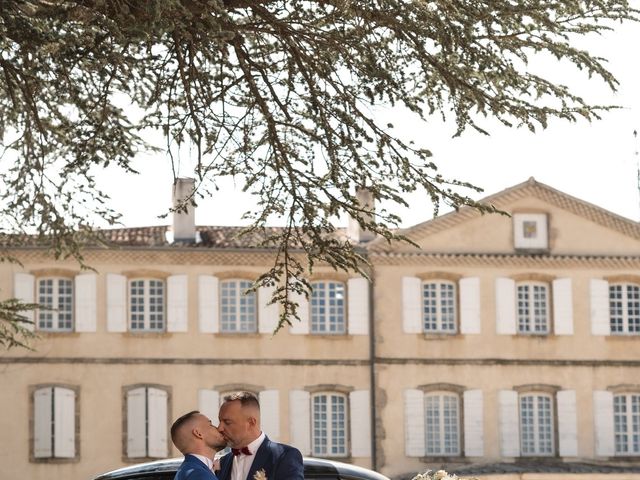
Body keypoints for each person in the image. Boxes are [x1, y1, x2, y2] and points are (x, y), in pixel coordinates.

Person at [216, 391, 304, 480]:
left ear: (251, 423)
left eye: (227, 422)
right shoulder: (224, 462)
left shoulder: (284, 456)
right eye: (220, 421)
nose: (219, 428)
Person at [171, 410, 227, 480]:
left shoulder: (188, 470)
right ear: (198, 433)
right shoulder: (198, 474)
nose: (219, 429)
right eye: (211, 425)